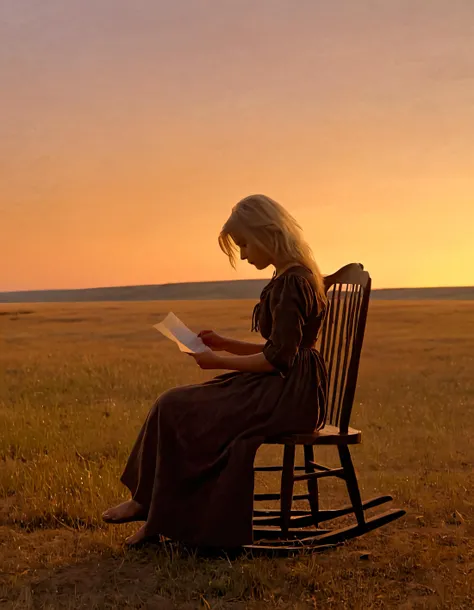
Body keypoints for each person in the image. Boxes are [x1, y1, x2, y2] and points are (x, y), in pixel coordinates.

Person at [102, 194, 328, 547]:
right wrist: (225, 343)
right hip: (285, 384)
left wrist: (217, 361)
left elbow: (278, 360)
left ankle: (157, 513)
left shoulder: (293, 282)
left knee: (178, 405)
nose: (242, 254)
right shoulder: (289, 276)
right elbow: (282, 350)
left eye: (244, 244)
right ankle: (151, 508)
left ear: (267, 234)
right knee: (173, 403)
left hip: (290, 395)